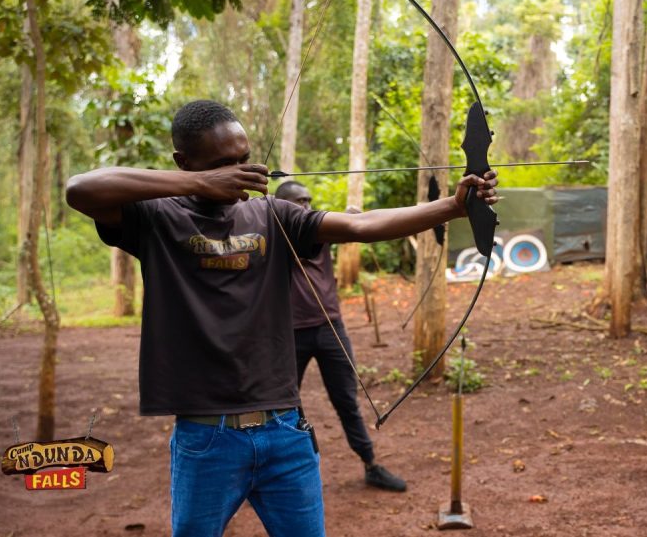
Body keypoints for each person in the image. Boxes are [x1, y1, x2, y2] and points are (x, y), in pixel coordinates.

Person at [65, 100, 498, 537]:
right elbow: (80, 189)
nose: (239, 171)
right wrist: (199, 183)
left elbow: (361, 225)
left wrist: (453, 206)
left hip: (285, 432)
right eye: (222, 164)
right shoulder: (156, 217)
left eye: (243, 159)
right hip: (207, 437)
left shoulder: (272, 214)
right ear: (184, 162)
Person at [274, 181, 407, 492]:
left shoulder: (320, 232)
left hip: (330, 329)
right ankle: (296, 469)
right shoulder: (273, 236)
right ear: (281, 207)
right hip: (290, 334)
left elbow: (354, 222)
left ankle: (370, 464)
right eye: (298, 201)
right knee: (287, 405)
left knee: (346, 400)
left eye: (308, 200)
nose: (306, 207)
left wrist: (351, 215)